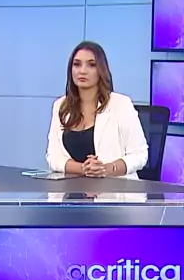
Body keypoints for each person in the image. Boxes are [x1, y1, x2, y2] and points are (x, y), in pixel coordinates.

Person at [46, 41, 148, 178]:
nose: (82, 71)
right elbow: (53, 157)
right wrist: (84, 169)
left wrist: (106, 169)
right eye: (77, 64)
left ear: (101, 70)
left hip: (114, 188)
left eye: (91, 65)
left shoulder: (121, 104)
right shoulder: (61, 106)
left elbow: (139, 154)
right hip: (71, 187)